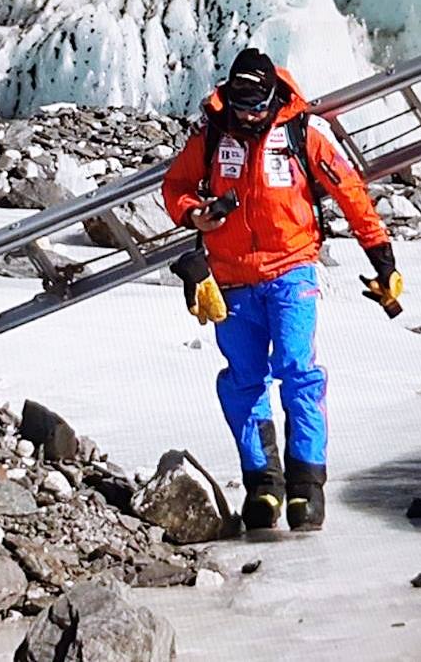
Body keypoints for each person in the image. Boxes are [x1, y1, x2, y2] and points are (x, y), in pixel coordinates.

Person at [162, 48, 402, 532]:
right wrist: (193, 214)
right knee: (243, 381)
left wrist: (381, 255)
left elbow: (349, 192)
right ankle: (263, 485)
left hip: (291, 271)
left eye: (256, 106)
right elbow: (177, 186)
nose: (249, 115)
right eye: (241, 105)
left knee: (297, 372)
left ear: (274, 97)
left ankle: (306, 486)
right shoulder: (211, 135)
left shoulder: (301, 134)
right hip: (230, 279)